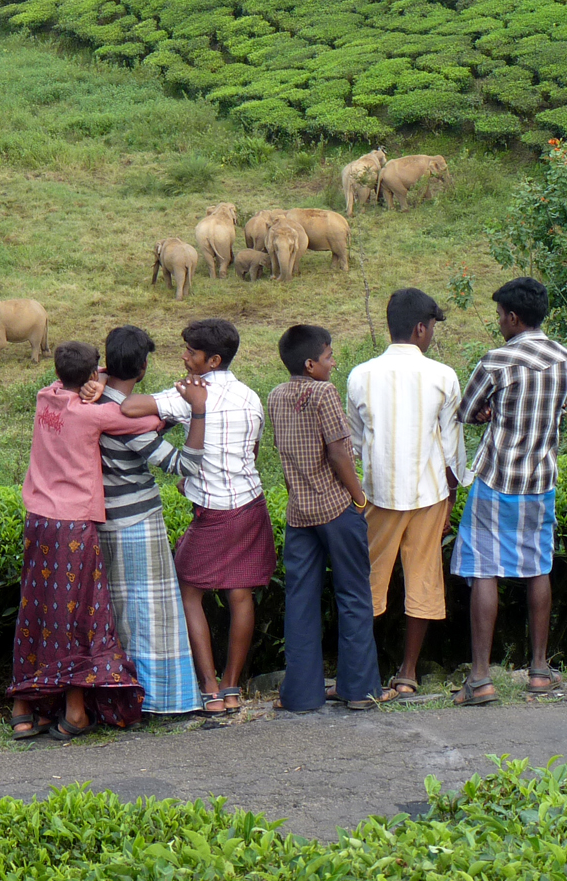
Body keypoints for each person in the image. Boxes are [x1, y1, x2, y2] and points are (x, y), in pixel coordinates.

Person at [7, 340, 172, 740]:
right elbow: (148, 422)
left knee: (38, 611)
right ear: (93, 372)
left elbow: (69, 381)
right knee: (79, 616)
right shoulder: (93, 416)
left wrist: (91, 379)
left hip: (38, 520)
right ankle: (75, 711)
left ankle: (24, 706)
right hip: (74, 527)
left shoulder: (45, 397)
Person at [114, 318, 269, 717]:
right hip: (251, 503)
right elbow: (248, 452)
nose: (184, 357)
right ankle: (233, 687)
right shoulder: (251, 395)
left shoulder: (190, 394)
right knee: (240, 593)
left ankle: (210, 687)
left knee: (187, 588)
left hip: (215, 511)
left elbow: (130, 406)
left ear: (211, 359)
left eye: (190, 352)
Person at [451, 278, 567, 707]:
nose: (499, 322)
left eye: (500, 316)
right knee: (538, 567)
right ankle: (539, 671)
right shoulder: (565, 358)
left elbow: (466, 411)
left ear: (513, 317)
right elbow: (559, 410)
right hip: (541, 480)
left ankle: (481, 678)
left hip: (496, 479)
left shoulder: (496, 361)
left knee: (485, 569)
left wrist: (489, 410)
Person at [345, 288, 465, 699]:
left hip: (377, 495)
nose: (431, 334)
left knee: (369, 584)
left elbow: (354, 445)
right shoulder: (443, 375)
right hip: (429, 494)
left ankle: (364, 675)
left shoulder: (359, 375)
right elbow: (451, 447)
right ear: (420, 328)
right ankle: (408, 672)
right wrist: (450, 498)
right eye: (431, 327)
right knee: (424, 580)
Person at [269, 323, 381, 713]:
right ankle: (359, 691)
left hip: (299, 511)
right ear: (311, 364)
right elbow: (338, 453)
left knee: (300, 601)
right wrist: (359, 497)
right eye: (329, 357)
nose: (333, 364)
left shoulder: (276, 395)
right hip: (336, 508)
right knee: (353, 596)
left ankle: (301, 695)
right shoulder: (324, 392)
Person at [94, 325, 204, 718]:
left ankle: (119, 695)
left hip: (105, 520)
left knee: (119, 613)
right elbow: (183, 464)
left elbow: (143, 431)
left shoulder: (92, 402)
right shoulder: (127, 420)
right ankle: (160, 700)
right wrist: (198, 412)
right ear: (142, 368)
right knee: (151, 614)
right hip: (137, 522)